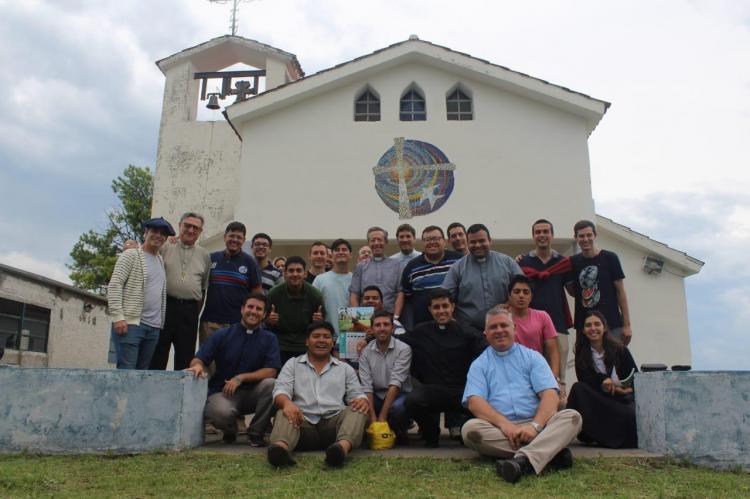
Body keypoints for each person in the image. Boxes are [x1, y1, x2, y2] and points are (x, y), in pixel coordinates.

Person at [461, 306, 581, 483]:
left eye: (504, 325)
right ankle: (550, 453)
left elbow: (550, 395)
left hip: (538, 425)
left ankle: (522, 462)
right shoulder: (479, 365)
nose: (499, 330)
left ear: (514, 329)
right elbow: (474, 402)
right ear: (485, 333)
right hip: (500, 430)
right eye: (493, 327)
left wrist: (535, 426)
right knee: (470, 431)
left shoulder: (533, 357)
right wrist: (506, 425)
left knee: (572, 417)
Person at [267, 321, 369, 467]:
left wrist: (361, 400)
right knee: (284, 411)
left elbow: (356, 394)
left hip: (334, 428)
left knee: (357, 411)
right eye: (316, 336)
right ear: (307, 341)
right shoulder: (293, 364)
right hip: (301, 425)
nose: (321, 340)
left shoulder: (344, 368)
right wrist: (287, 403)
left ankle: (340, 451)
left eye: (326, 337)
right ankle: (280, 451)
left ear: (332, 342)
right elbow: (280, 390)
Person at [185, 293, 281, 446]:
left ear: (264, 315)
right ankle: (230, 429)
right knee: (219, 413)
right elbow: (200, 358)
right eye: (250, 307)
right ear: (242, 309)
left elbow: (271, 371)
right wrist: (197, 365)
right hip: (223, 392)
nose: (253, 311)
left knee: (272, 384)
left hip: (252, 393)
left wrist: (241, 378)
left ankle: (256, 434)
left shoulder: (270, 339)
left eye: (258, 309)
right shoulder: (222, 335)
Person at [401, 289, 484, 447]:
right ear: (430, 310)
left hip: (462, 392)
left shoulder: (468, 332)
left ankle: (466, 432)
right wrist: (369, 338)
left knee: (483, 403)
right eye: (436, 307)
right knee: (412, 401)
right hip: (433, 391)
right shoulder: (421, 331)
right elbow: (397, 339)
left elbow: (486, 348)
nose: (441, 311)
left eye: (445, 306)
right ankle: (431, 433)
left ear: (453, 307)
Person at [149, 212, 211, 371]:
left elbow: (203, 288)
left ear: (200, 232)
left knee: (185, 356)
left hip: (189, 311)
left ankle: (180, 395)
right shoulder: (165, 246)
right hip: (164, 307)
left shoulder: (204, 255)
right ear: (179, 226)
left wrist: (194, 313)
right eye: (187, 226)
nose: (191, 230)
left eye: (195, 228)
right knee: (158, 353)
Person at [108, 217, 173, 369]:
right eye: (154, 231)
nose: (158, 235)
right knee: (127, 373)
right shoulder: (131, 255)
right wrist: (118, 317)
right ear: (145, 232)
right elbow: (115, 285)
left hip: (153, 328)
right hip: (131, 324)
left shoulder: (160, 261)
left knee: (142, 374)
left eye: (163, 233)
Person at [566, 311, 638, 448]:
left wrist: (621, 390)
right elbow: (585, 380)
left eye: (597, 324)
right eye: (588, 325)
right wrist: (602, 380)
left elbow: (635, 378)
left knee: (629, 414)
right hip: (599, 397)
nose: (593, 328)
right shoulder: (581, 353)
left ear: (604, 327)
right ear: (583, 330)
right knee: (578, 389)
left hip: (621, 398)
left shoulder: (620, 350)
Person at [518, 219, 573, 392]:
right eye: (538, 232)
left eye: (545, 232)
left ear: (552, 235)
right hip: (530, 328)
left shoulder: (564, 263)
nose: (542, 235)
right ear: (533, 236)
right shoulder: (523, 262)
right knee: (530, 376)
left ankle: (557, 414)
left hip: (558, 325)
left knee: (558, 378)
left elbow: (572, 290)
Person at [442, 223, 523, 337]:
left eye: (482, 241)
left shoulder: (507, 263)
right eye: (473, 242)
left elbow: (523, 288)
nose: (478, 245)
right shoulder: (457, 268)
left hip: (504, 329)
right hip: (469, 332)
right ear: (467, 243)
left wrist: (509, 303)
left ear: (490, 240)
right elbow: (445, 297)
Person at [566, 220, 633, 345]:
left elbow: (620, 292)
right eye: (581, 236)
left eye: (588, 235)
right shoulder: (572, 262)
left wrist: (627, 325)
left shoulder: (610, 258)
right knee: (585, 363)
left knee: (615, 362)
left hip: (612, 324)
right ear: (575, 238)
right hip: (584, 326)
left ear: (595, 235)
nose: (585, 239)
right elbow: (573, 292)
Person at [200, 222, 262, 345]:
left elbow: (257, 295)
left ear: (244, 240)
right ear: (225, 237)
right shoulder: (211, 258)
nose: (235, 240)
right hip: (209, 322)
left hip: (237, 323)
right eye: (231, 236)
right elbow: (200, 288)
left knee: (232, 362)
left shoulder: (250, 262)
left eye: (239, 237)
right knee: (206, 362)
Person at [358, 310, 412, 443]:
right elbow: (366, 386)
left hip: (399, 394)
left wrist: (381, 419)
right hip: (376, 395)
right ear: (371, 329)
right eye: (377, 325)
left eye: (386, 324)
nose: (382, 328)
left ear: (392, 328)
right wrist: (373, 421)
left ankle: (399, 429)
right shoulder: (365, 352)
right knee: (359, 404)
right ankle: (372, 432)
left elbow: (396, 383)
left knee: (399, 408)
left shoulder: (404, 349)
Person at [395, 225, 462, 329]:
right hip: (423, 329)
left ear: (444, 241)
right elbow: (407, 296)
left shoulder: (458, 261)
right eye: (427, 239)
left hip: (456, 326)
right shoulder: (411, 267)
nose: (432, 242)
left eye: (436, 238)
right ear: (423, 243)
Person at [506, 275, 562, 398]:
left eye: (526, 292)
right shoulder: (501, 318)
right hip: (508, 374)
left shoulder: (543, 316)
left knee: (561, 403)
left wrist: (554, 379)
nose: (521, 295)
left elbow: (553, 351)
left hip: (537, 372)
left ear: (531, 296)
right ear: (509, 296)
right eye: (516, 292)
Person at [267, 256, 325, 364]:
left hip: (305, 346)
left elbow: (321, 324)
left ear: (305, 274)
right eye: (291, 271)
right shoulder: (274, 294)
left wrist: (318, 322)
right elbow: (264, 321)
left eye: (299, 270)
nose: (295, 274)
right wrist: (268, 320)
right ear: (284, 273)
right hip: (280, 346)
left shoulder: (315, 295)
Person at [350, 227, 401, 312]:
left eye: (379, 240)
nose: (376, 243)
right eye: (373, 240)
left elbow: (400, 293)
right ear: (368, 243)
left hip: (389, 317)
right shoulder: (360, 267)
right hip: (365, 318)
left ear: (386, 242)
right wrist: (357, 318)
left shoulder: (396, 265)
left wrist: (396, 317)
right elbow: (354, 295)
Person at [312, 239, 353, 337]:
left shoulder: (356, 279)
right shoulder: (320, 280)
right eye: (337, 250)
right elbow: (311, 307)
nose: (341, 252)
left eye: (344, 249)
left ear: (350, 255)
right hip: (326, 336)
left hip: (350, 335)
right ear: (332, 255)